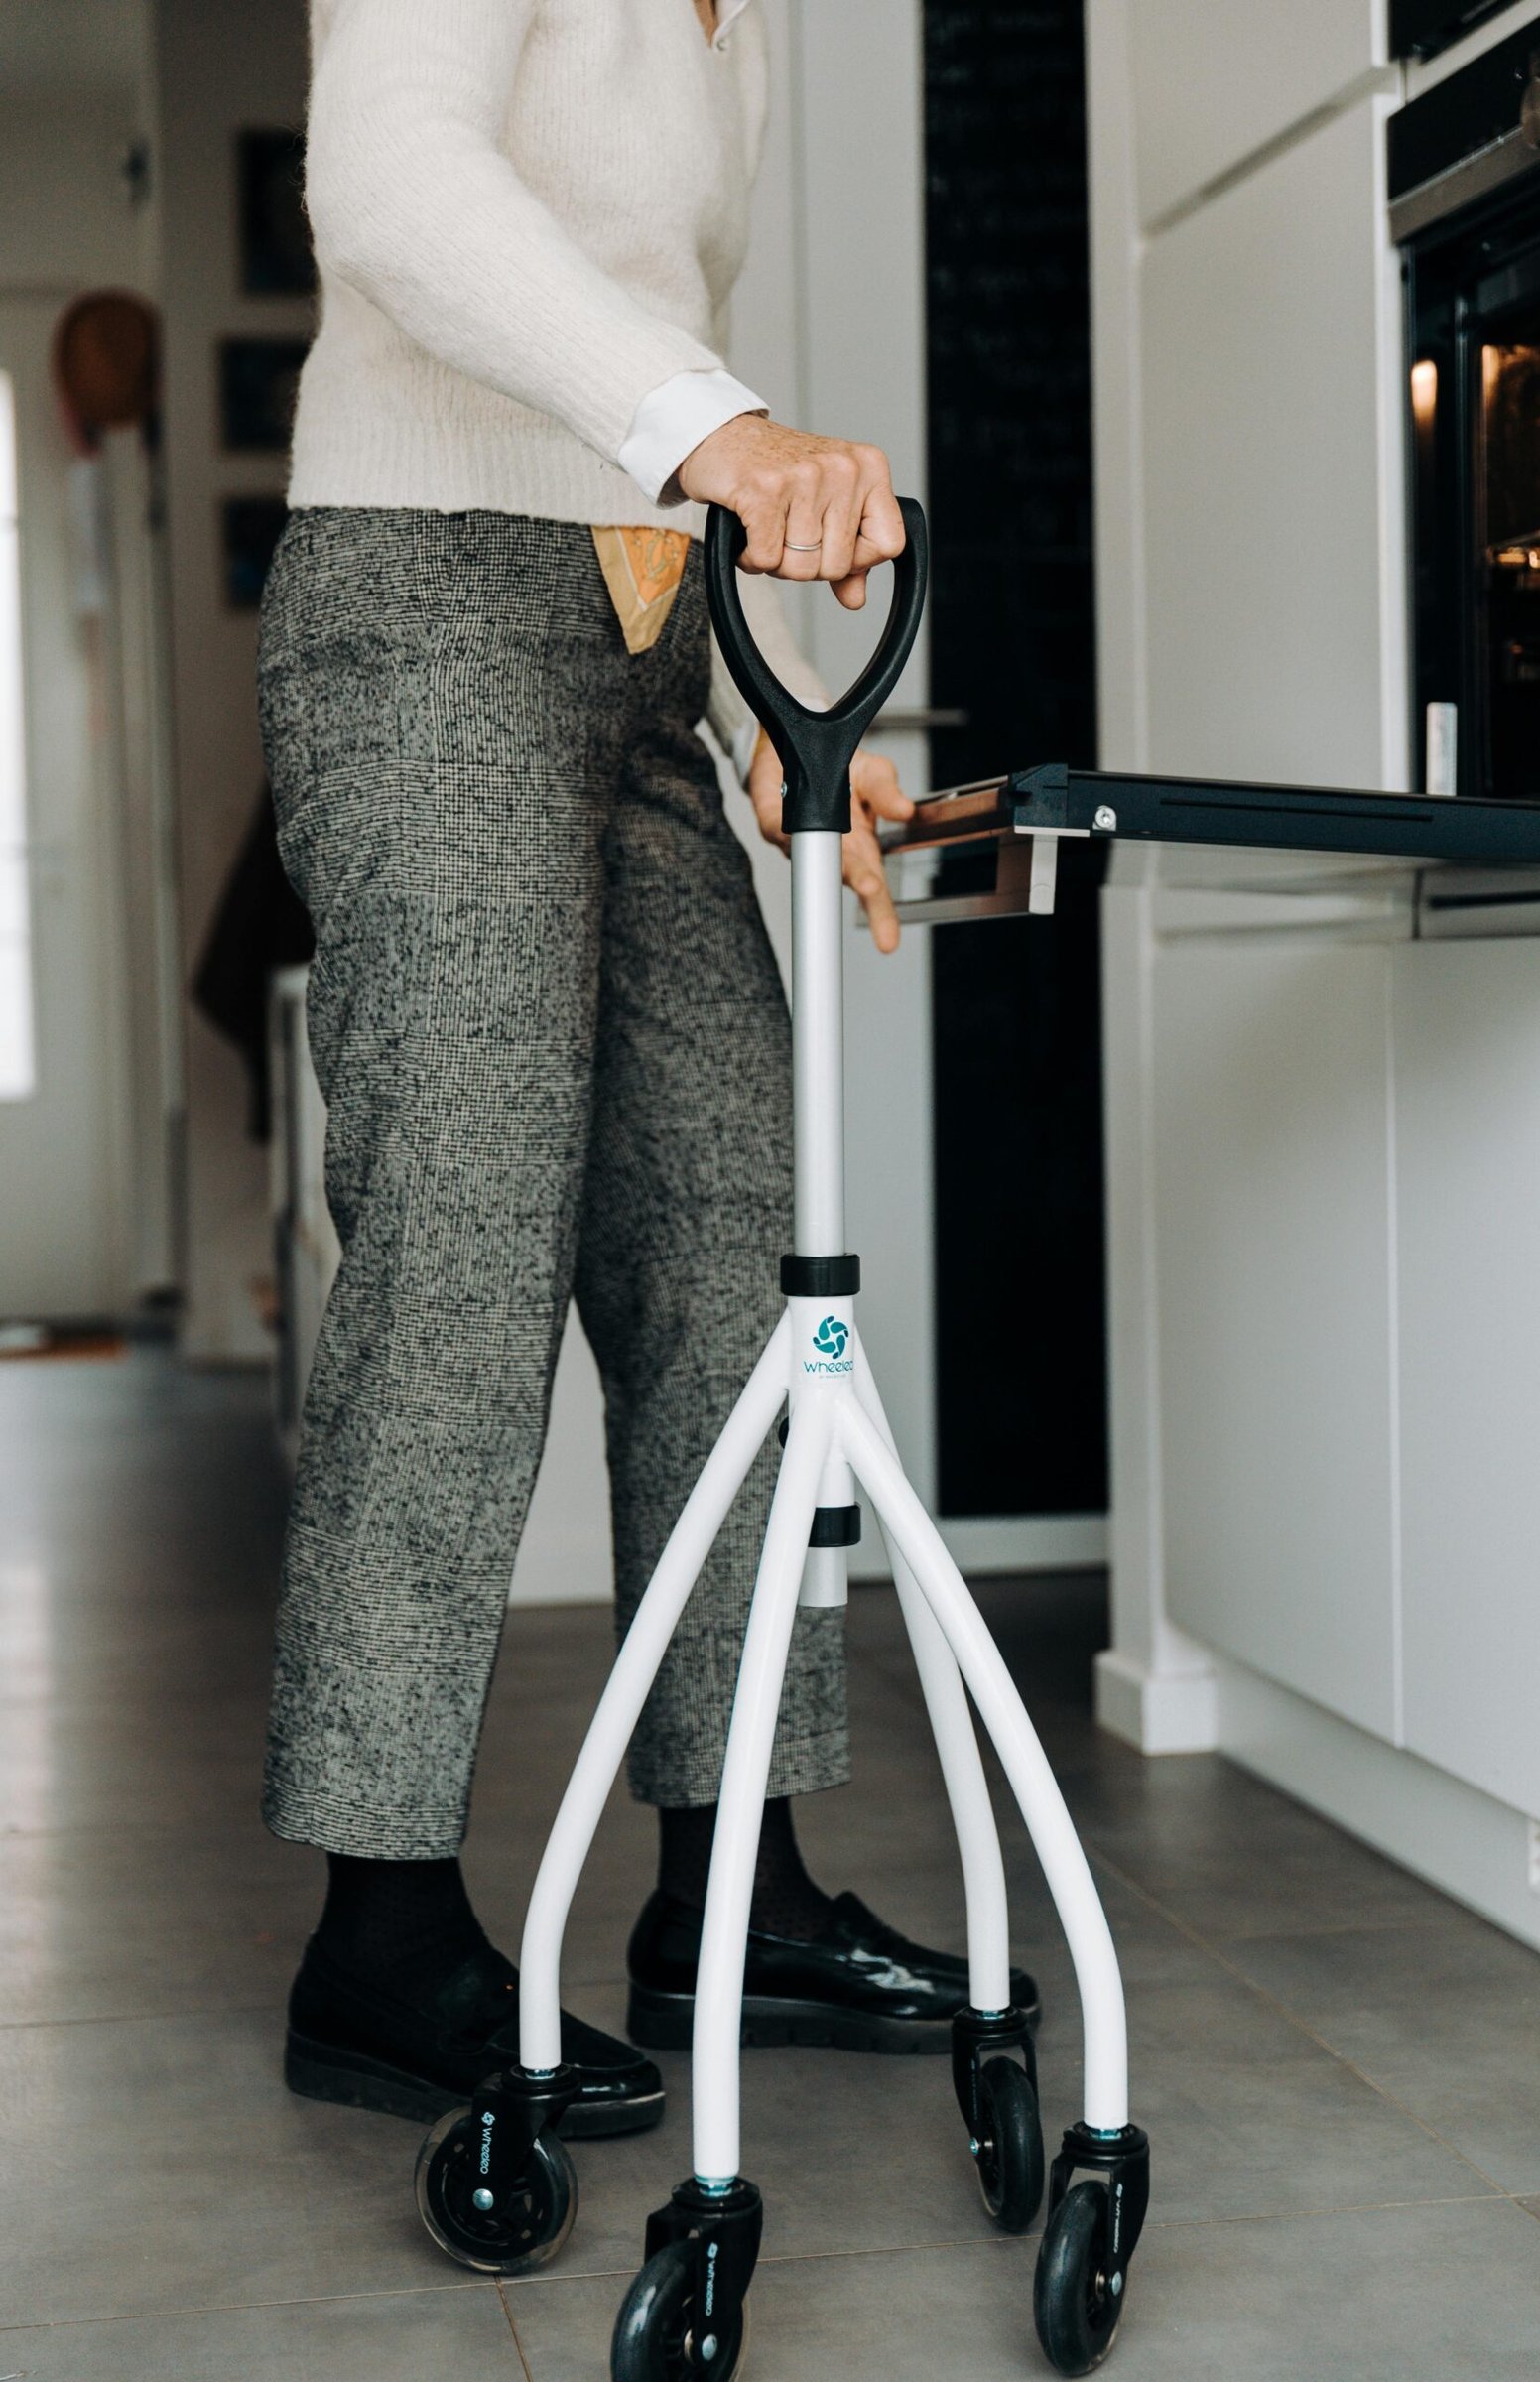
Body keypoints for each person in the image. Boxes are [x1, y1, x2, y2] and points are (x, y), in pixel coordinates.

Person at [261, 0, 1038, 2141]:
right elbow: (395, 189)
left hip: (648, 646)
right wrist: (723, 431)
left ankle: (731, 1890)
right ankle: (380, 1930)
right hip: (421, 600)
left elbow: (646, 352)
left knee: (729, 1264)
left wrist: (801, 726)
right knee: (464, 1260)